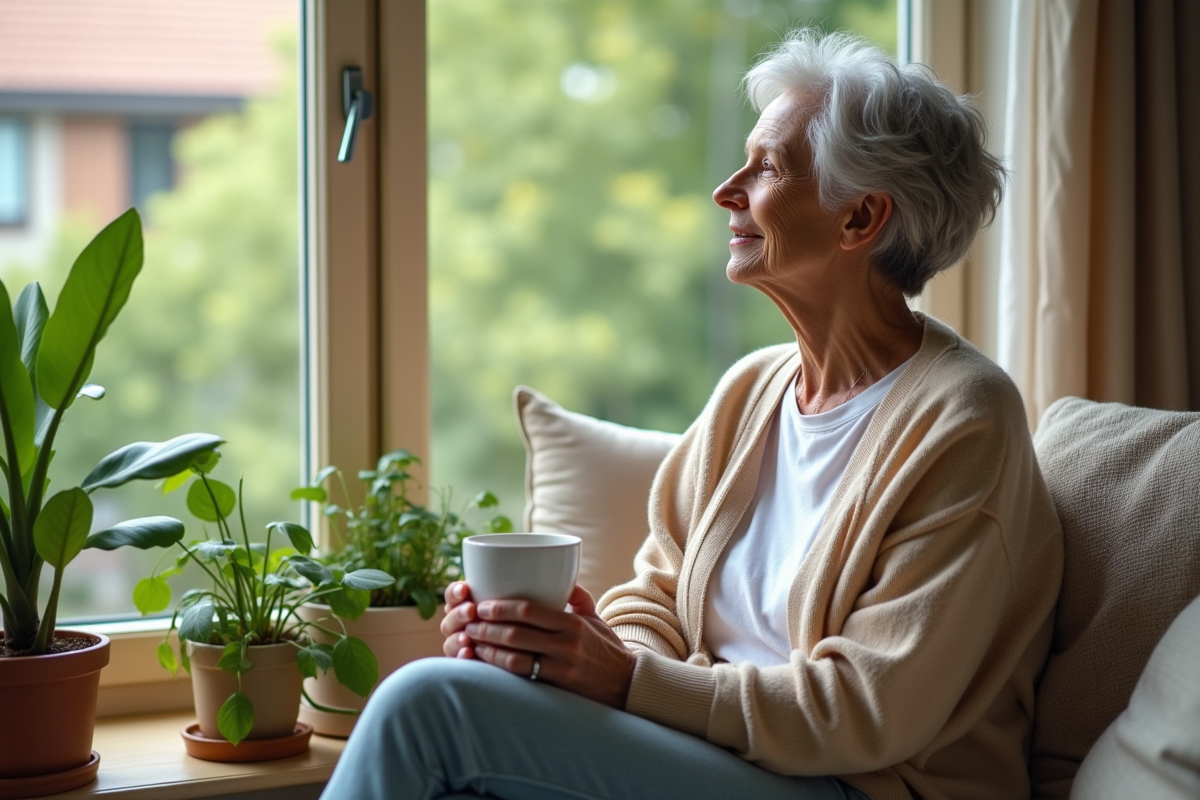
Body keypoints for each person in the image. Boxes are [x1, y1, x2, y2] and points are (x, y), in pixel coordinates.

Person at [322, 29, 1062, 800]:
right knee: (457, 698)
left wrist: (631, 681)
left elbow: (866, 710)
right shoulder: (752, 392)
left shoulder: (965, 419)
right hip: (715, 758)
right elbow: (653, 598)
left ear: (861, 219)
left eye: (768, 167)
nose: (727, 189)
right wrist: (582, 656)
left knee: (429, 705)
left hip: (857, 785)